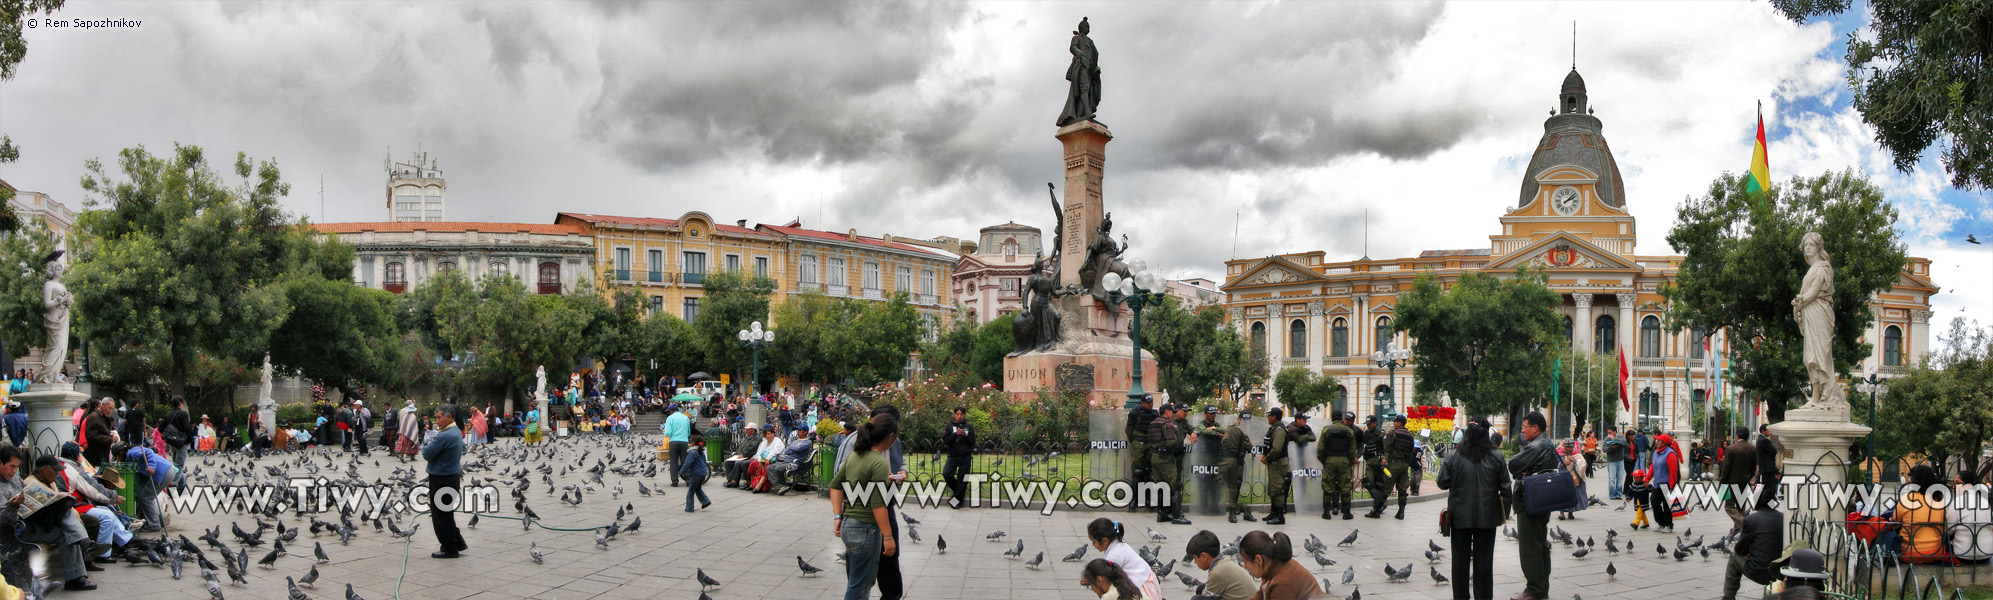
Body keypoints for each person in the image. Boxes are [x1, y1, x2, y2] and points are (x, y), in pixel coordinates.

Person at [4, 451, 100, 591]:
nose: (13, 471)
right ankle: (80, 559)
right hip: (18, 529)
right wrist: (13, 506)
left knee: (66, 520)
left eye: (16, 467)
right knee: (68, 532)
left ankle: (76, 577)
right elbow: (4, 518)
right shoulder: (8, 485)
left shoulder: (16, 480)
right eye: (11, 466)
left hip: (33, 522)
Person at [1437, 417, 1510, 600]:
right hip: (1487, 518)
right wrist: (1503, 515)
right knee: (1484, 561)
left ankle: (1460, 596)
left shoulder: (1454, 456)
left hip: (1459, 517)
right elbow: (1506, 488)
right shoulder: (1496, 456)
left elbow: (1442, 482)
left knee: (1460, 561)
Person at [828, 418, 898, 600]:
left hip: (849, 525)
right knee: (859, 587)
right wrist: (888, 537)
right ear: (890, 437)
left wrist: (838, 516)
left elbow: (835, 485)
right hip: (866, 530)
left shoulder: (855, 456)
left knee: (856, 581)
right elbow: (877, 504)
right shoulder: (879, 462)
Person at [1508, 410, 1560, 600]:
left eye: (1524, 427)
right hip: (1542, 500)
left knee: (1530, 548)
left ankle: (1535, 590)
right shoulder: (1547, 443)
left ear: (1535, 428)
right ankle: (1541, 587)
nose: (1522, 431)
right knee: (1540, 545)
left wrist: (1521, 471)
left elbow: (1513, 465)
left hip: (1529, 501)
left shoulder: (1536, 446)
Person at [423, 404, 468, 559]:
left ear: (449, 417)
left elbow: (427, 453)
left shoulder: (445, 435)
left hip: (442, 479)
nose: (437, 421)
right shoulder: (455, 431)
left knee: (441, 515)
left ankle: (449, 547)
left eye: (439, 417)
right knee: (446, 513)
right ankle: (458, 542)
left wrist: (428, 444)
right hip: (451, 476)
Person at [1722, 487, 1783, 600]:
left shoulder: (1751, 520)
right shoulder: (1783, 518)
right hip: (1779, 572)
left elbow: (1740, 549)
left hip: (1760, 571)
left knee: (1734, 557)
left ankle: (1728, 596)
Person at [1086, 518, 1162, 598]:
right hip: (1144, 577)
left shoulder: (1114, 554)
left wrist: (1091, 579)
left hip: (1141, 583)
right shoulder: (1118, 544)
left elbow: (1107, 576)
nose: (1093, 545)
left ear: (1104, 540)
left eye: (1094, 542)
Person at [1237, 530, 1322, 600]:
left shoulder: (1281, 583)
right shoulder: (1271, 565)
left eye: (1245, 562)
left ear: (1259, 560)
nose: (1245, 566)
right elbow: (1262, 593)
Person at [1150, 403, 1192, 525]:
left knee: (1161, 486)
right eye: (1171, 412)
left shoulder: (1153, 423)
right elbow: (1170, 443)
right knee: (1175, 485)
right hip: (1166, 458)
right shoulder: (1168, 425)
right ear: (1167, 412)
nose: (1173, 414)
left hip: (1154, 456)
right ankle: (1177, 515)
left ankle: (1162, 513)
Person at [1898, 464, 1948, 563]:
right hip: (1936, 552)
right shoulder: (1939, 500)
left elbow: (1895, 522)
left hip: (1910, 553)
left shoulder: (1907, 498)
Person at [1184, 530, 1253, 600]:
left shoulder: (1217, 572)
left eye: (1195, 558)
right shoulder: (1223, 561)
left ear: (1204, 556)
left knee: (1197, 599)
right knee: (1201, 588)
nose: (1195, 562)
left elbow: (1205, 596)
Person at [1318, 411, 1359, 520]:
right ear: (1341, 418)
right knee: (1345, 486)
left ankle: (1326, 512)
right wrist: (1349, 461)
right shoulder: (1349, 431)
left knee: (1328, 485)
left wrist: (1324, 461)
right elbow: (1352, 450)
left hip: (1329, 460)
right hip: (1344, 460)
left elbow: (1320, 449)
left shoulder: (1326, 430)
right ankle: (1347, 513)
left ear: (1332, 418)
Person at [1375, 415, 1416, 520]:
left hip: (1393, 464)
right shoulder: (1410, 435)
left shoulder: (1392, 433)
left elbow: (1388, 450)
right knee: (1402, 489)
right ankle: (1401, 512)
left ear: (1398, 423)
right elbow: (1411, 452)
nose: (1394, 424)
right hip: (1404, 465)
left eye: (1395, 422)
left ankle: (1377, 510)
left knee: (1386, 487)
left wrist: (1384, 460)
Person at [1720, 427, 1759, 534]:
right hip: (1745, 481)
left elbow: (1726, 468)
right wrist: (1748, 477)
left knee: (1729, 506)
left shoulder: (1731, 449)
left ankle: (1744, 524)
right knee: (1741, 507)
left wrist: (1722, 482)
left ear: (1737, 436)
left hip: (1731, 481)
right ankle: (1738, 531)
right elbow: (1753, 467)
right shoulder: (1752, 448)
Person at [1948, 469, 1992, 562]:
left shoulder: (1958, 502)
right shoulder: (1984, 501)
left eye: (1958, 483)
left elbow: (1949, 529)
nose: (1954, 487)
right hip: (1986, 553)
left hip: (1963, 554)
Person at [1221, 408, 1256, 523]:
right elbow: (1249, 447)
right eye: (1245, 420)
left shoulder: (1232, 429)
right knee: (1234, 485)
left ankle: (1233, 508)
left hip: (1232, 461)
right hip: (1234, 461)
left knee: (1235, 484)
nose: (1246, 423)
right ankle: (1233, 508)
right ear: (1239, 420)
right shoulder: (1239, 431)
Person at [940, 407, 975, 509]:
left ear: (964, 415)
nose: (959, 416)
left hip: (965, 457)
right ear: (955, 415)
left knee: (962, 479)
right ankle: (958, 491)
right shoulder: (949, 426)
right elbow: (946, 440)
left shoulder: (969, 427)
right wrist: (955, 434)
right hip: (953, 456)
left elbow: (973, 442)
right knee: (947, 473)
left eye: (961, 414)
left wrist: (965, 435)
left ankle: (956, 502)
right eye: (957, 414)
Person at [1650, 432, 1682, 533]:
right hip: (1657, 483)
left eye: (1659, 440)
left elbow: (1673, 471)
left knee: (1667, 505)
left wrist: (1672, 485)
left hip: (1666, 483)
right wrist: (1647, 479)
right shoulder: (1656, 452)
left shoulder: (1670, 453)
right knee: (1654, 502)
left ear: (1664, 443)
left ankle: (1668, 524)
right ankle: (1661, 522)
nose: (1657, 441)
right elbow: (1652, 467)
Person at [769, 431, 815, 495]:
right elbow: (786, 451)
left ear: (805, 432)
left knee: (778, 468)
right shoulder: (795, 441)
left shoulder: (807, 442)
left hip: (796, 463)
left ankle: (783, 485)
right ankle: (779, 486)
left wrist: (792, 447)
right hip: (787, 461)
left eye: (800, 431)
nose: (798, 432)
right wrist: (794, 448)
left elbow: (799, 449)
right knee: (769, 468)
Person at [1361, 415, 1388, 519]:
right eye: (1367, 424)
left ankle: (1377, 507)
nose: (1368, 426)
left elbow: (1386, 448)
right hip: (1369, 461)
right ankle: (1380, 503)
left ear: (1375, 423)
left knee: (1378, 484)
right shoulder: (1366, 433)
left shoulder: (1380, 433)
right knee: (1368, 482)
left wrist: (1384, 459)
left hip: (1378, 460)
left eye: (1370, 424)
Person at [1078, 558, 1145, 599]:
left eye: (1091, 584)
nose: (1092, 589)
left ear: (1099, 580)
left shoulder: (1109, 597)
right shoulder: (1127, 586)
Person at [681, 434, 712, 512]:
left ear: (693, 443)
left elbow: (687, 463)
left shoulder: (692, 452)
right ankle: (705, 501)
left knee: (691, 491)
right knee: (698, 488)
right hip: (703, 473)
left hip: (695, 474)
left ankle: (689, 507)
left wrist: (682, 471)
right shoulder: (701, 452)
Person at [664, 404, 692, 487]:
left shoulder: (670, 418)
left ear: (671, 411)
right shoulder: (685, 418)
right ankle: (688, 480)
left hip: (674, 442)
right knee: (685, 461)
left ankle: (675, 481)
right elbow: (688, 431)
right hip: (684, 441)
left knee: (673, 461)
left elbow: (667, 433)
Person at [82, 400, 115, 467]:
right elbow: (91, 436)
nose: (111, 411)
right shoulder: (94, 417)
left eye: (112, 409)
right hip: (95, 454)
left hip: (104, 453)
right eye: (109, 408)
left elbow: (104, 432)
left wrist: (111, 436)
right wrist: (109, 439)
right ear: (103, 405)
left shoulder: (105, 417)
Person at [161, 396, 191, 468]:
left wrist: (168, 436)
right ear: (180, 404)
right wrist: (189, 440)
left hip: (172, 442)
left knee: (175, 463)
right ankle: (173, 480)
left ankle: (181, 480)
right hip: (181, 441)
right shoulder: (183, 414)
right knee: (179, 466)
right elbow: (187, 428)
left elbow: (160, 428)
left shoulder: (168, 414)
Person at [1601, 427, 1625, 500]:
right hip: (1611, 461)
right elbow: (1604, 449)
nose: (1609, 434)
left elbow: (1624, 441)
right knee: (1612, 478)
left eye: (1610, 432)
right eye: (1608, 432)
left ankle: (1618, 494)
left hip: (1620, 460)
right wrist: (1612, 448)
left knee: (1620, 478)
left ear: (1615, 432)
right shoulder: (1607, 439)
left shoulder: (1621, 436)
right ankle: (1612, 494)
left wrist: (1614, 439)